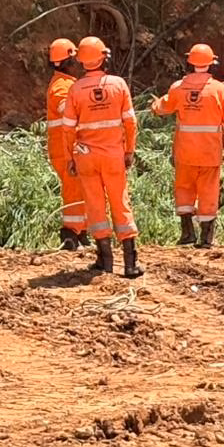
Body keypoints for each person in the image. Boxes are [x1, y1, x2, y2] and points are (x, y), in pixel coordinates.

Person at [62, 36, 144, 279]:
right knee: (120, 202)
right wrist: (129, 151)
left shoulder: (75, 89)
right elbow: (130, 122)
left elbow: (67, 129)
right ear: (104, 57)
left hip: (86, 156)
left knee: (95, 205)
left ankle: (105, 262)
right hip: (113, 155)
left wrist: (70, 158)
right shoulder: (118, 85)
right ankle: (130, 263)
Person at [151, 42, 224, 248]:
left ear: (189, 63)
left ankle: (186, 234)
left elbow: (162, 107)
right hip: (209, 152)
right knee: (208, 191)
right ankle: (207, 238)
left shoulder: (178, 88)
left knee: (184, 189)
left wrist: (154, 106)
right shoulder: (220, 90)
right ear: (212, 64)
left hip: (185, 152)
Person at [45, 37, 89, 251]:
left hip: (69, 147)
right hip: (64, 150)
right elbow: (67, 111)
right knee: (73, 191)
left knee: (81, 190)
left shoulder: (67, 84)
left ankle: (80, 232)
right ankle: (70, 234)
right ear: (67, 62)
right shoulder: (61, 87)